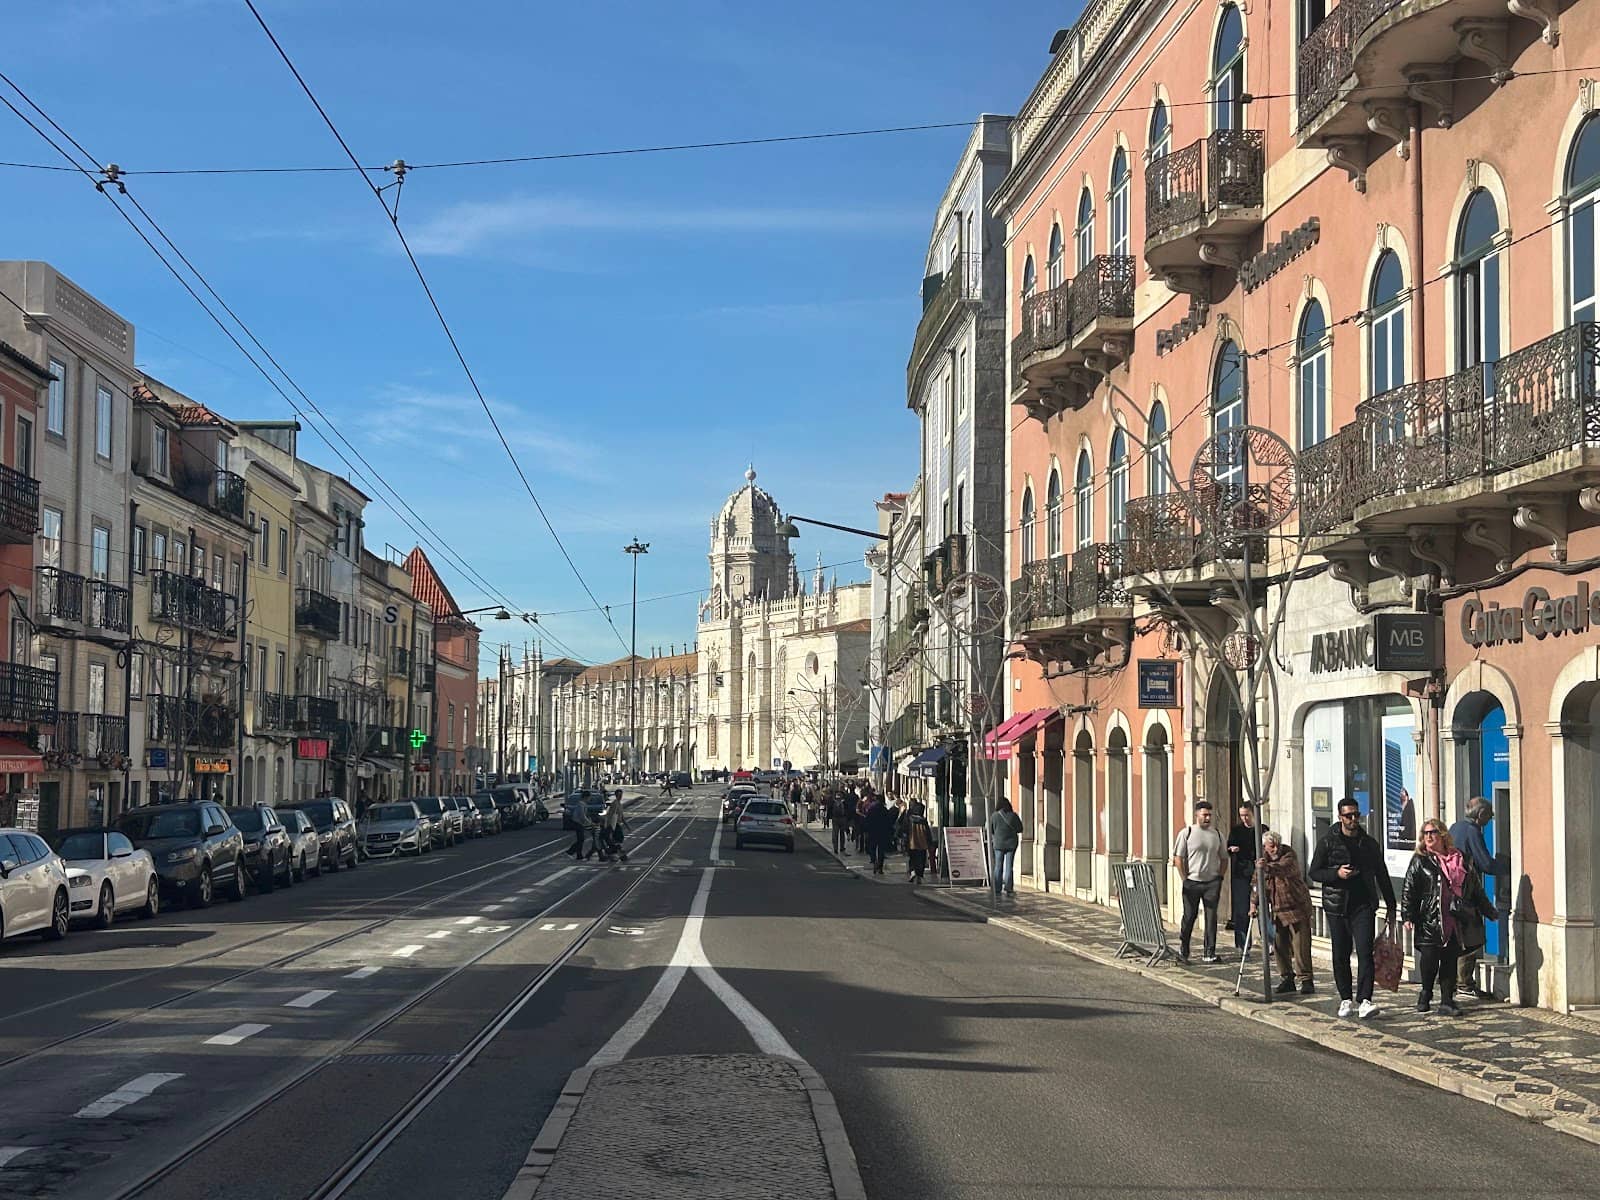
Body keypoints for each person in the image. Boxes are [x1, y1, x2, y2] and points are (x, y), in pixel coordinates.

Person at [1309, 798, 1397, 1019]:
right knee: (1341, 954)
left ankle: (1365, 1000)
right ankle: (1345, 999)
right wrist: (1336, 874)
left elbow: (1382, 874)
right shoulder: (1328, 842)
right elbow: (1314, 872)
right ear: (1340, 817)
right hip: (1336, 905)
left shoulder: (1368, 844)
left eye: (1356, 815)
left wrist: (1391, 906)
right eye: (1348, 816)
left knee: (1365, 952)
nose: (1353, 819)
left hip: (1363, 904)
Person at [1402, 819, 1496, 1016]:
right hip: (1430, 918)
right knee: (1429, 959)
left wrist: (1488, 910)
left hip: (1455, 918)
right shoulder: (1421, 860)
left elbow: (1475, 889)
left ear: (1442, 835)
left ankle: (1447, 1000)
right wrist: (1408, 915)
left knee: (1449, 960)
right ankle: (1426, 993)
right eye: (1425, 833)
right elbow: (1409, 889)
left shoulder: (1462, 858)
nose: (1428, 836)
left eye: (1433, 832)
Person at [1449, 796, 1508, 998]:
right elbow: (1486, 864)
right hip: (1465, 894)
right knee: (1472, 937)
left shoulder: (1455, 826)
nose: (1491, 817)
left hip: (1453, 892)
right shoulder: (1473, 831)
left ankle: (1460, 983)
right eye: (1489, 814)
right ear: (1480, 814)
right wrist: (1509, 865)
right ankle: (1464, 983)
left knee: (1462, 938)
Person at [1256, 831, 1315, 995]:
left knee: (1300, 946)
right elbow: (1257, 882)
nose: (1274, 849)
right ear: (1265, 847)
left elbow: (1283, 868)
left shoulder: (1289, 855)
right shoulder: (1263, 860)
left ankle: (1306, 980)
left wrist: (1266, 867)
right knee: (1279, 945)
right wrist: (1254, 904)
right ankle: (1287, 978)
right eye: (1271, 846)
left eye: (1277, 845)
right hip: (1277, 909)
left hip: (1297, 906)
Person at [1172, 801, 1227, 963]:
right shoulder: (1187, 833)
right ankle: (1184, 948)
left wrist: (1219, 877)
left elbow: (1224, 857)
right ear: (1197, 815)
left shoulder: (1217, 834)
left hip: (1211, 882)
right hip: (1193, 882)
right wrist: (1185, 878)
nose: (1207, 818)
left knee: (1211, 918)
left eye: (1209, 815)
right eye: (1204, 815)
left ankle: (1209, 951)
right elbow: (1178, 858)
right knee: (1189, 916)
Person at [1225, 802, 1262, 953]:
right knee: (1241, 909)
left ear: (1253, 814)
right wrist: (1231, 849)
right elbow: (1228, 847)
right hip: (1240, 873)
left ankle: (1269, 942)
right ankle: (1243, 944)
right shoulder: (1236, 830)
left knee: (1262, 908)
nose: (1244, 818)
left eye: (1247, 815)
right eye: (1241, 815)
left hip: (1258, 873)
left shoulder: (1261, 829)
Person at [988, 798, 1024, 897]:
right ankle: (1008, 888)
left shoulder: (994, 816)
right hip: (1011, 844)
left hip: (999, 844)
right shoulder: (1013, 816)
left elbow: (990, 829)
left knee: (998, 866)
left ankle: (997, 888)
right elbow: (1020, 829)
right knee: (1009, 866)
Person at [902, 799, 933, 883]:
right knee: (921, 860)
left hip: (912, 842)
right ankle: (919, 876)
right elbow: (927, 832)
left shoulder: (910, 819)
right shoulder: (923, 821)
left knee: (912, 858)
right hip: (922, 843)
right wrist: (930, 842)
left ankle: (913, 872)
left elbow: (904, 829)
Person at [863, 791, 894, 875]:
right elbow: (888, 822)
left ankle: (874, 862)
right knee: (881, 850)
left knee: (872, 848)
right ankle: (880, 867)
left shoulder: (871, 809)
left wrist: (866, 829)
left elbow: (867, 820)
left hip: (873, 831)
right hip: (882, 832)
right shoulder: (884, 810)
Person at [564, 792, 591, 859]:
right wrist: (590, 823)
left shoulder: (583, 804)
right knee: (581, 839)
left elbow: (584, 815)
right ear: (586, 797)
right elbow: (582, 816)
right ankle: (570, 852)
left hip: (580, 823)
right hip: (577, 823)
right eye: (589, 797)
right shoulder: (581, 804)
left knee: (580, 839)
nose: (590, 799)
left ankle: (579, 855)